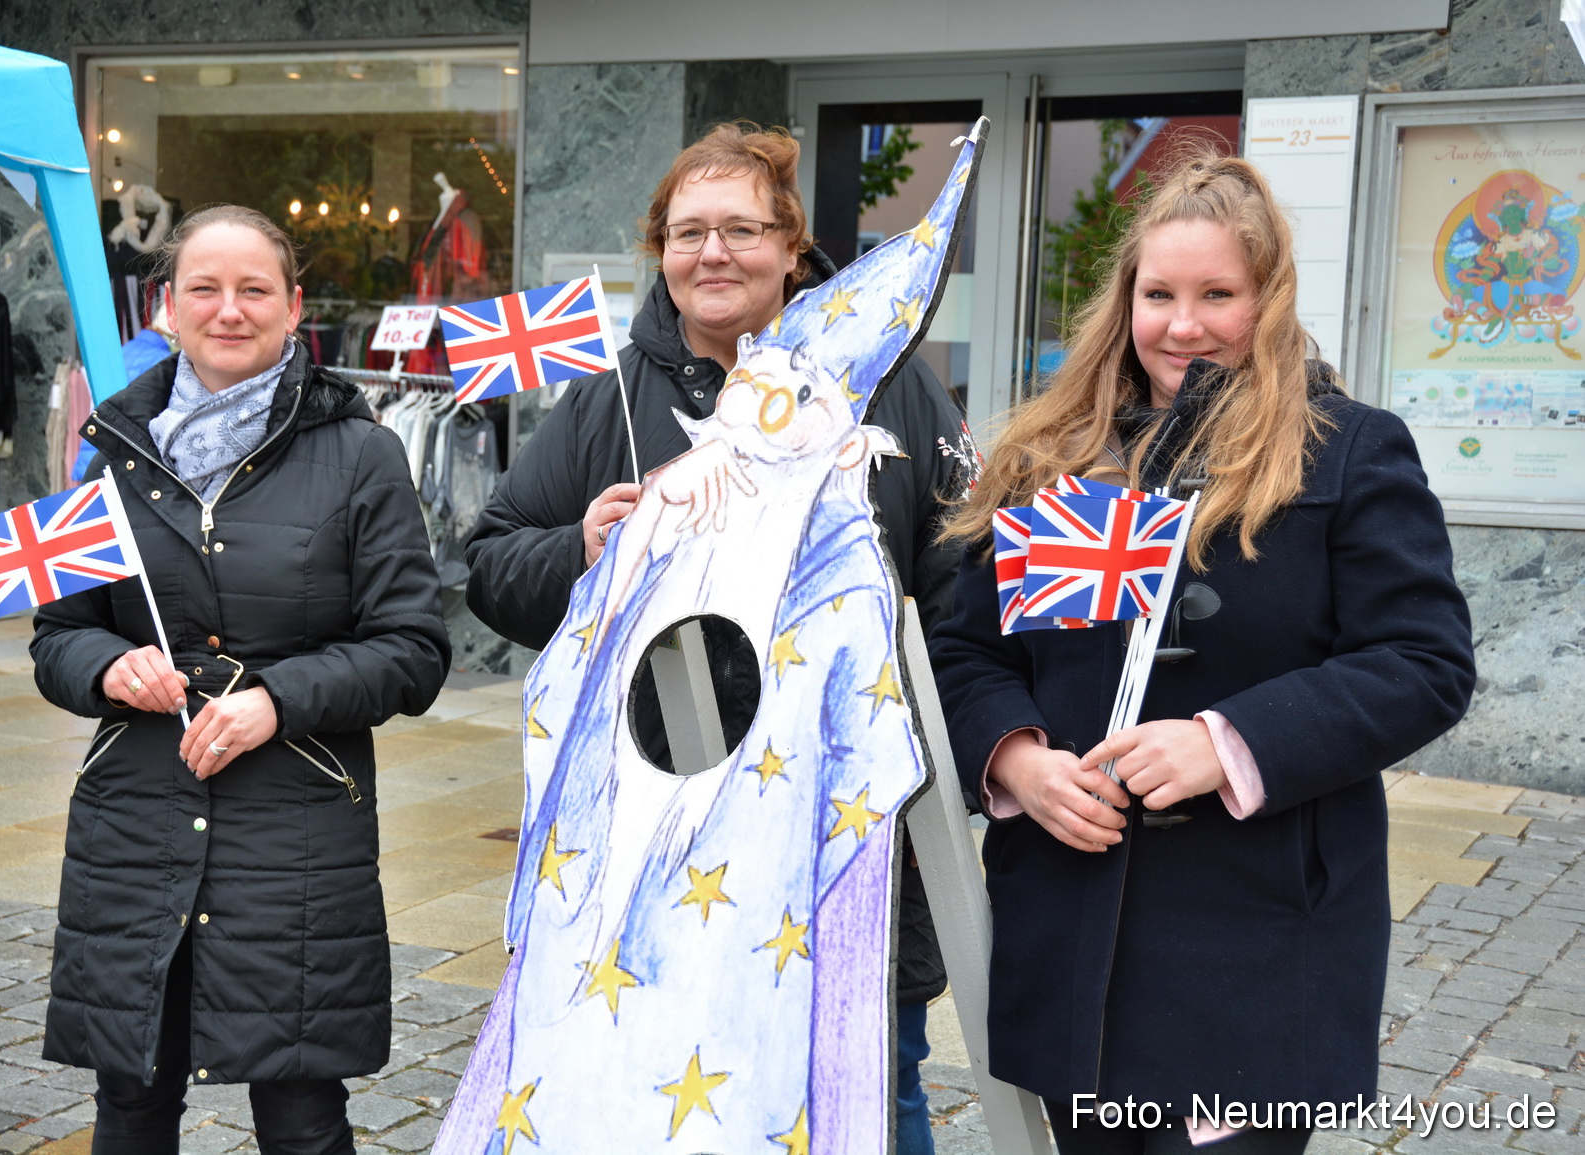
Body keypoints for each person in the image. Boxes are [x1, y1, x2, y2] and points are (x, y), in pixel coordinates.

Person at [928, 151, 1476, 1154]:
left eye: (1217, 294)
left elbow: (1420, 661)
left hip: (1256, 941)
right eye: (1159, 294)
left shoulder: (1347, 449)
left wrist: (1223, 744)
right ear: (1125, 299)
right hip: (1071, 925)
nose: (1183, 326)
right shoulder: (1049, 459)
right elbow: (964, 655)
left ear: (1266, 298)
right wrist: (1019, 763)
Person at [463, 122, 973, 1154]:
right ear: (659, 250)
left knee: (871, 1086)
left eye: (742, 229)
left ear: (792, 248)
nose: (713, 253)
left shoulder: (885, 383)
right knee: (657, 1094)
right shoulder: (608, 397)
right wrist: (582, 547)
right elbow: (489, 566)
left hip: (832, 834)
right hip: (653, 839)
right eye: (688, 231)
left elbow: (963, 582)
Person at [30, 205, 450, 1154]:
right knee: (131, 1105)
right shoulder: (109, 453)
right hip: (136, 825)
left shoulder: (360, 454)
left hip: (295, 833)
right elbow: (57, 636)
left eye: (254, 289)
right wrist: (108, 665)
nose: (229, 310)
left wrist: (277, 700)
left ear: (293, 306)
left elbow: (414, 648)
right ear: (167, 307)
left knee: (301, 1118)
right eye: (204, 289)